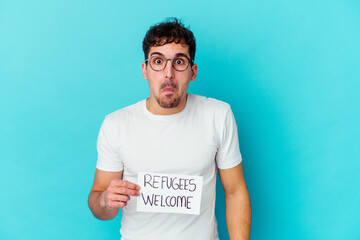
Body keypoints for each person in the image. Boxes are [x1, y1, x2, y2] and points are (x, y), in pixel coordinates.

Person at [88, 18, 251, 240]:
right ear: (145, 70)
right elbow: (99, 205)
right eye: (158, 61)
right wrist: (106, 200)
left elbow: (235, 191)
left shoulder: (218, 115)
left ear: (193, 72)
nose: (168, 73)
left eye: (179, 62)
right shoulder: (116, 124)